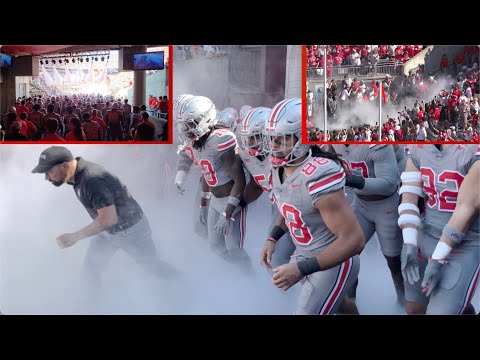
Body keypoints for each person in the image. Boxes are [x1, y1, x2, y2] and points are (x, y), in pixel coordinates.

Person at [260, 98, 365, 315]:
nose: (273, 146)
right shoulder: (280, 168)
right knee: (341, 306)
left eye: (281, 140)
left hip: (335, 261)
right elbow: (289, 206)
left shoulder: (318, 175)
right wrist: (272, 237)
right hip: (306, 253)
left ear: (301, 138)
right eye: (271, 139)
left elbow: (355, 240)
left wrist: (300, 269)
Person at [31, 146, 180, 291]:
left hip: (130, 231)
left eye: (50, 171)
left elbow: (109, 219)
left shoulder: (91, 179)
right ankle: (91, 308)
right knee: (91, 270)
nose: (47, 177)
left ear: (64, 165)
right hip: (109, 231)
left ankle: (185, 285)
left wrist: (74, 237)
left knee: (152, 267)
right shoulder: (77, 174)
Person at [399, 144, 479, 314]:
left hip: (465, 242)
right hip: (427, 232)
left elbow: (467, 207)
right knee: (414, 308)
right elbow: (409, 194)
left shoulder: (473, 149)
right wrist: (409, 240)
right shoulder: (418, 147)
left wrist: (438, 258)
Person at [176, 95, 252, 273]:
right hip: (214, 203)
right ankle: (234, 273)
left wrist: (227, 213)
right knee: (215, 247)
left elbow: (240, 181)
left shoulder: (221, 139)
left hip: (231, 201)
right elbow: (207, 175)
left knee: (235, 248)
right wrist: (203, 204)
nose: (186, 130)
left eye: (191, 124)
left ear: (206, 119)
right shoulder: (199, 140)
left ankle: (249, 276)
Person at [331, 144, 405, 305]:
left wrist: (348, 179)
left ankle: (403, 302)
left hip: (386, 205)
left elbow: (388, 184)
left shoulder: (377, 144)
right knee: (347, 257)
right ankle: (350, 303)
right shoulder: (333, 138)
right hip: (360, 203)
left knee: (394, 261)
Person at [238, 106, 296, 268]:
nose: (249, 143)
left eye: (254, 137)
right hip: (280, 210)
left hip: (302, 210)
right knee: (275, 261)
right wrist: (240, 203)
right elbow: (257, 185)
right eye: (247, 137)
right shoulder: (249, 157)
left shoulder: (289, 155)